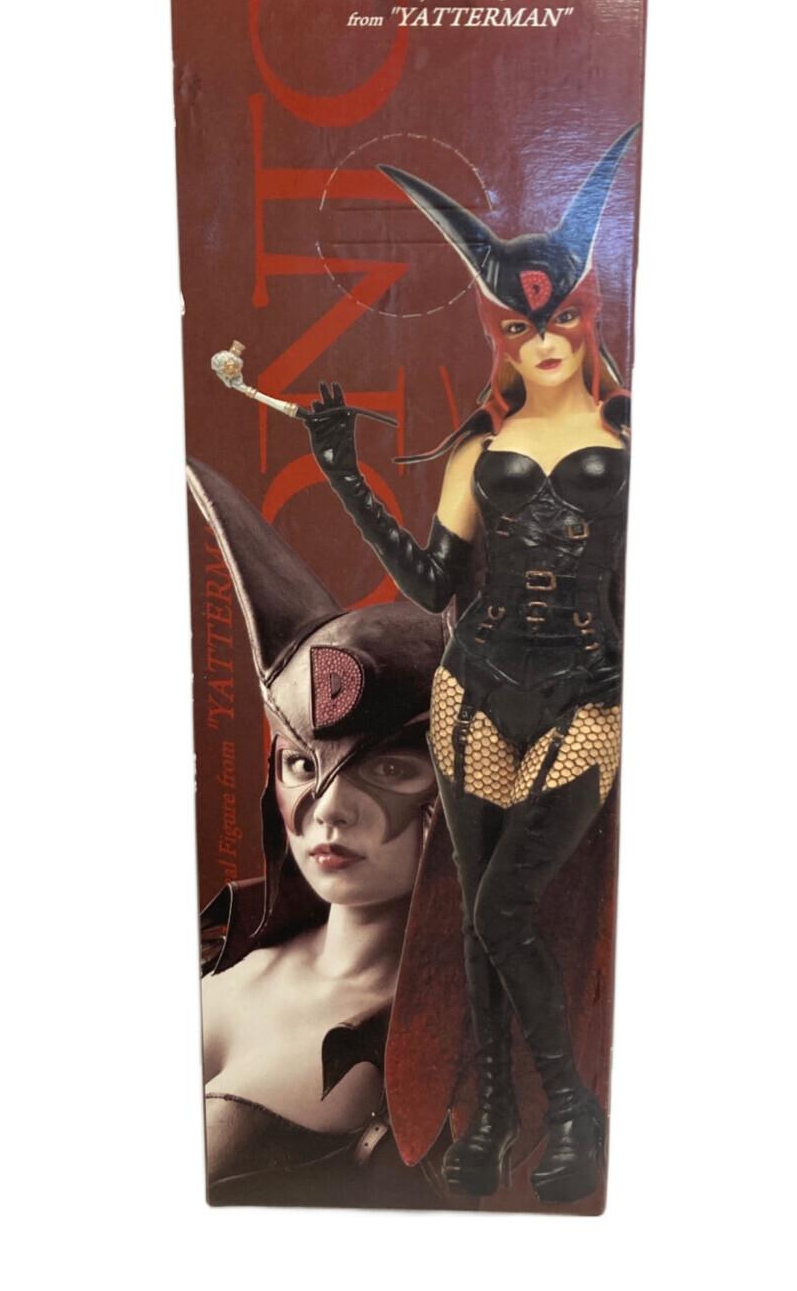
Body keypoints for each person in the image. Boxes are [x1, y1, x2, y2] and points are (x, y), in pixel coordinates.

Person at [300, 126, 638, 1205]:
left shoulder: (637, 438)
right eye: (520, 323)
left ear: (587, 315)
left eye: (560, 316)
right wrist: (345, 474)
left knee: (503, 910)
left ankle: (570, 1108)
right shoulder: (477, 448)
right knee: (480, 911)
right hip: (474, 694)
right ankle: (488, 1113)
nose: (543, 337)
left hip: (587, 698)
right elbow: (431, 585)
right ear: (501, 331)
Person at [186, 458, 455, 1209]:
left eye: (391, 769)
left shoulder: (490, 1032)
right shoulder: (226, 967)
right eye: (303, 764)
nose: (330, 810)